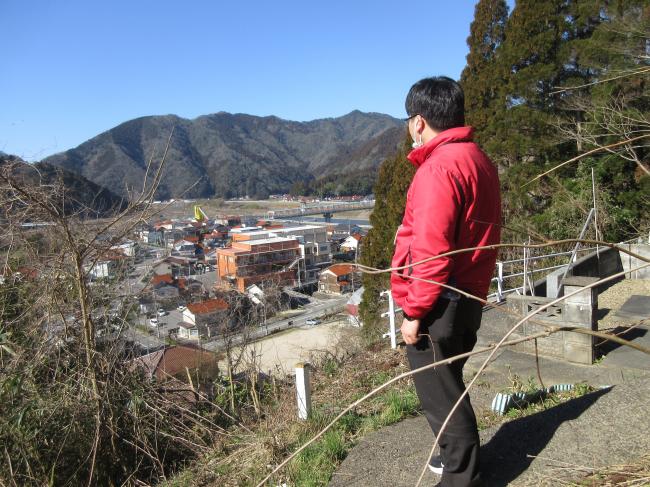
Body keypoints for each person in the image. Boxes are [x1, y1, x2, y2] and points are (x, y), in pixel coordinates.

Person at [390, 76, 501, 486]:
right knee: (449, 383)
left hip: (440, 304)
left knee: (442, 397)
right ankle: (454, 459)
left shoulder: (438, 170)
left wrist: (414, 313)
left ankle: (461, 476)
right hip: (468, 294)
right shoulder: (478, 159)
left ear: (419, 122)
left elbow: (432, 253)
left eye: (407, 121)